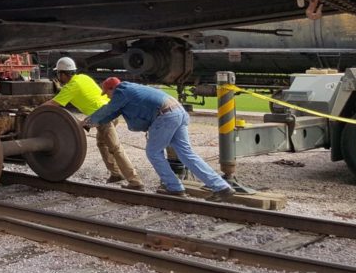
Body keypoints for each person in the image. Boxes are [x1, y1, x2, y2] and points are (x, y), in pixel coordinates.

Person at [87, 77, 234, 201]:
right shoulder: (131, 90)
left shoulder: (121, 91)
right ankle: (221, 188)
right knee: (187, 154)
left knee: (153, 152)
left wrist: (86, 122)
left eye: (107, 93)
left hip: (166, 116)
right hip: (178, 111)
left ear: (112, 88)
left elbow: (108, 109)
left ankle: (174, 187)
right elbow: (112, 113)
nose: (107, 96)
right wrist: (92, 122)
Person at [49, 58, 144, 190]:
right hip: (109, 112)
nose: (58, 77)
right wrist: (60, 88)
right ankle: (116, 174)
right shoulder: (83, 78)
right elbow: (79, 91)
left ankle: (135, 181)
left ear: (63, 74)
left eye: (59, 74)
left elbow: (52, 104)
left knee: (116, 148)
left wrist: (35, 111)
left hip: (103, 117)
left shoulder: (70, 87)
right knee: (102, 143)